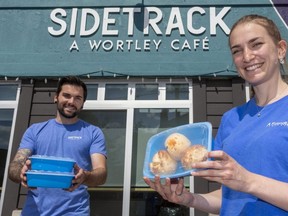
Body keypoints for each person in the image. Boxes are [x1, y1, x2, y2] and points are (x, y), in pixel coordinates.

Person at [144, 14, 288, 215]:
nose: (247, 57)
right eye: (237, 51)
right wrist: (189, 198)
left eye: (256, 44)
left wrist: (249, 181)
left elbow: (244, 183)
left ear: (281, 49)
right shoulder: (232, 118)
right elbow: (228, 197)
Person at [8, 76, 107, 216]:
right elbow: (15, 165)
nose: (71, 102)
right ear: (56, 97)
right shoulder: (35, 131)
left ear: (83, 103)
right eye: (66, 95)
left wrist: (85, 176)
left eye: (78, 98)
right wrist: (21, 173)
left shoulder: (93, 133)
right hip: (34, 211)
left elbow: (101, 173)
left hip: (75, 212)